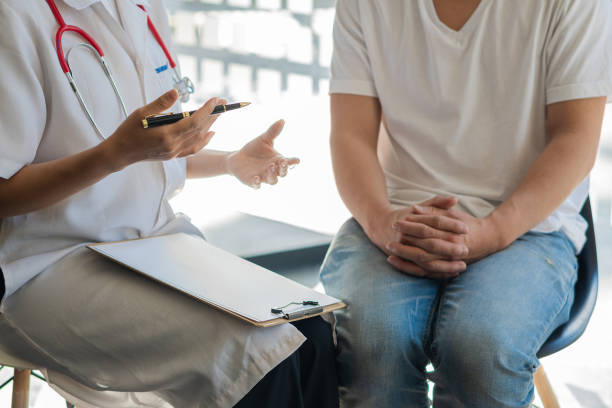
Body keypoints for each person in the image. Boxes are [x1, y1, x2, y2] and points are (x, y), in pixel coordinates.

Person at [0, 1, 338, 407]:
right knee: (259, 360)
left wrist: (230, 162)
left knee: (311, 332)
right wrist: (113, 154)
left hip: (155, 246)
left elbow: (149, 149)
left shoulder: (142, 8)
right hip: (48, 264)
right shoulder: (15, 15)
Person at [320, 0, 612, 407]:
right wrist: (382, 222)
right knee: (372, 341)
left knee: (479, 347)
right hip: (397, 219)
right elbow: (350, 134)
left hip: (527, 228)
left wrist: (493, 230)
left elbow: (577, 138)